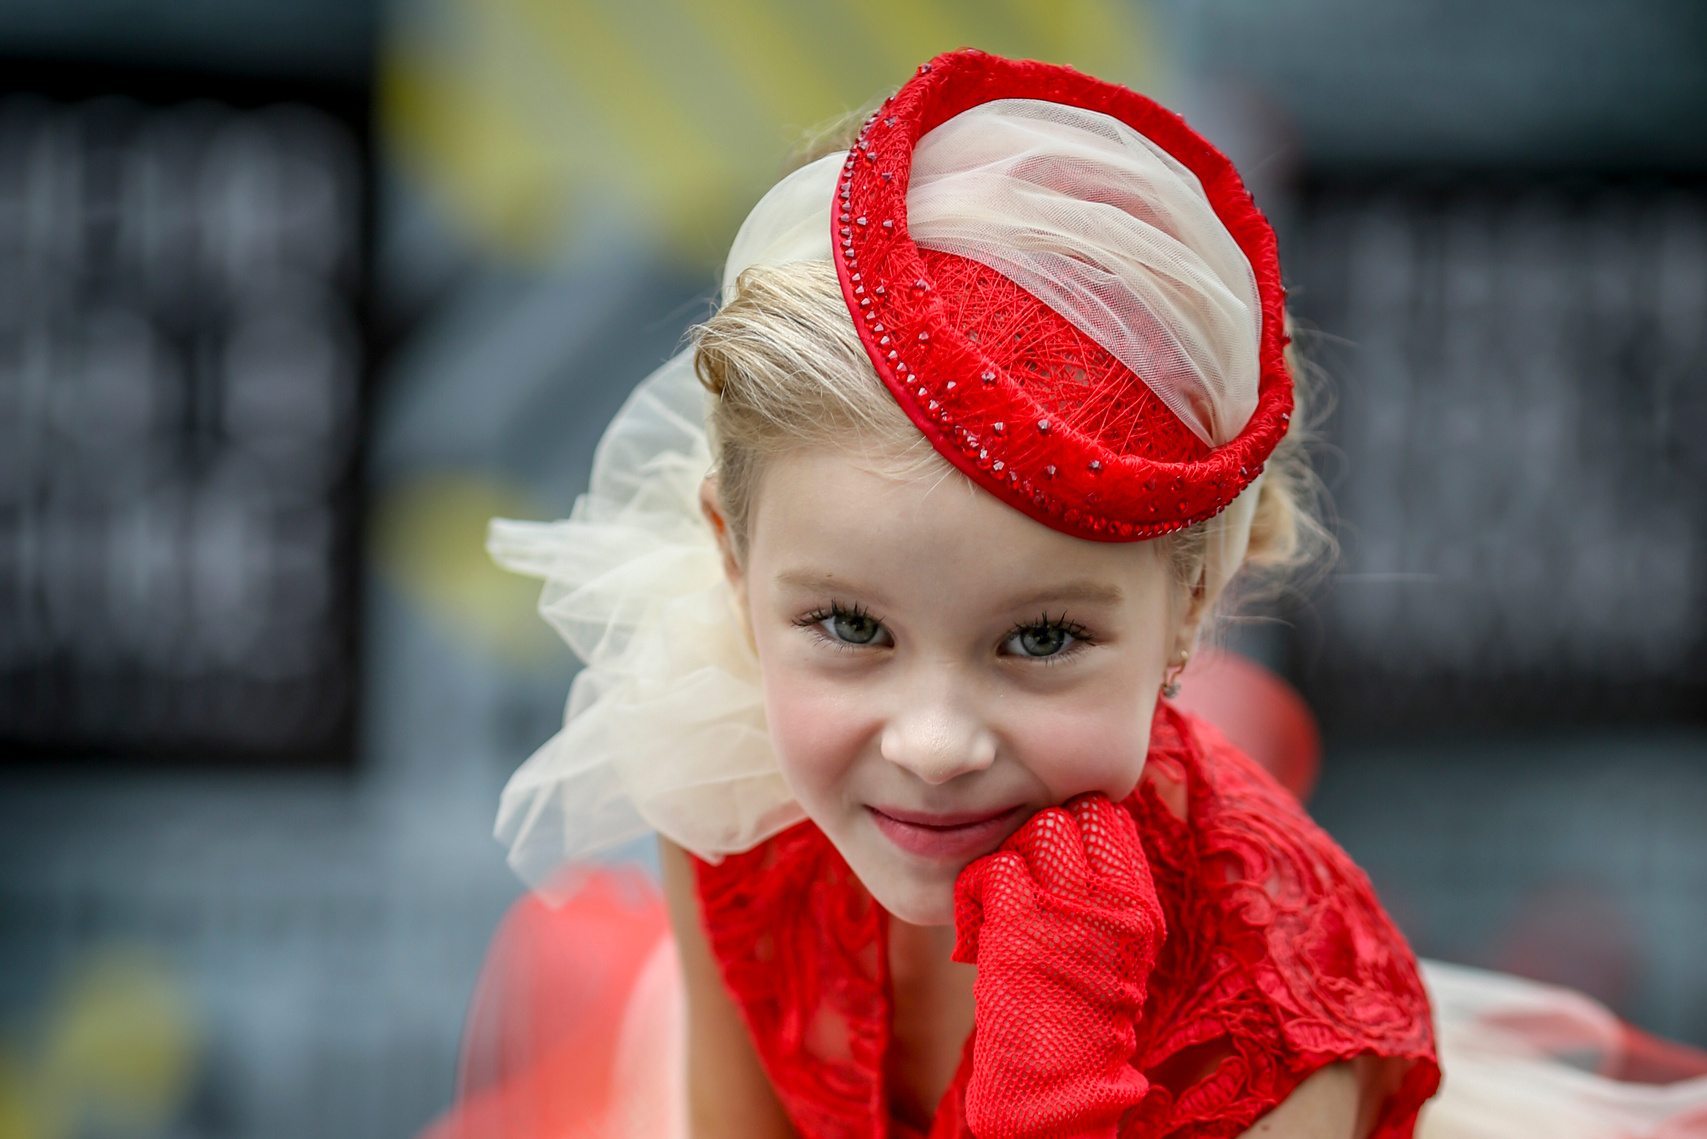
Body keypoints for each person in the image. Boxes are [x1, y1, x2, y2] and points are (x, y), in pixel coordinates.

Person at [434, 49, 1707, 1139]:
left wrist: (1056, 1056)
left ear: (1193, 603)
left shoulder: (1280, 1018)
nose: (933, 742)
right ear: (730, 556)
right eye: (847, 625)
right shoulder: (729, 791)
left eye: (1040, 637)